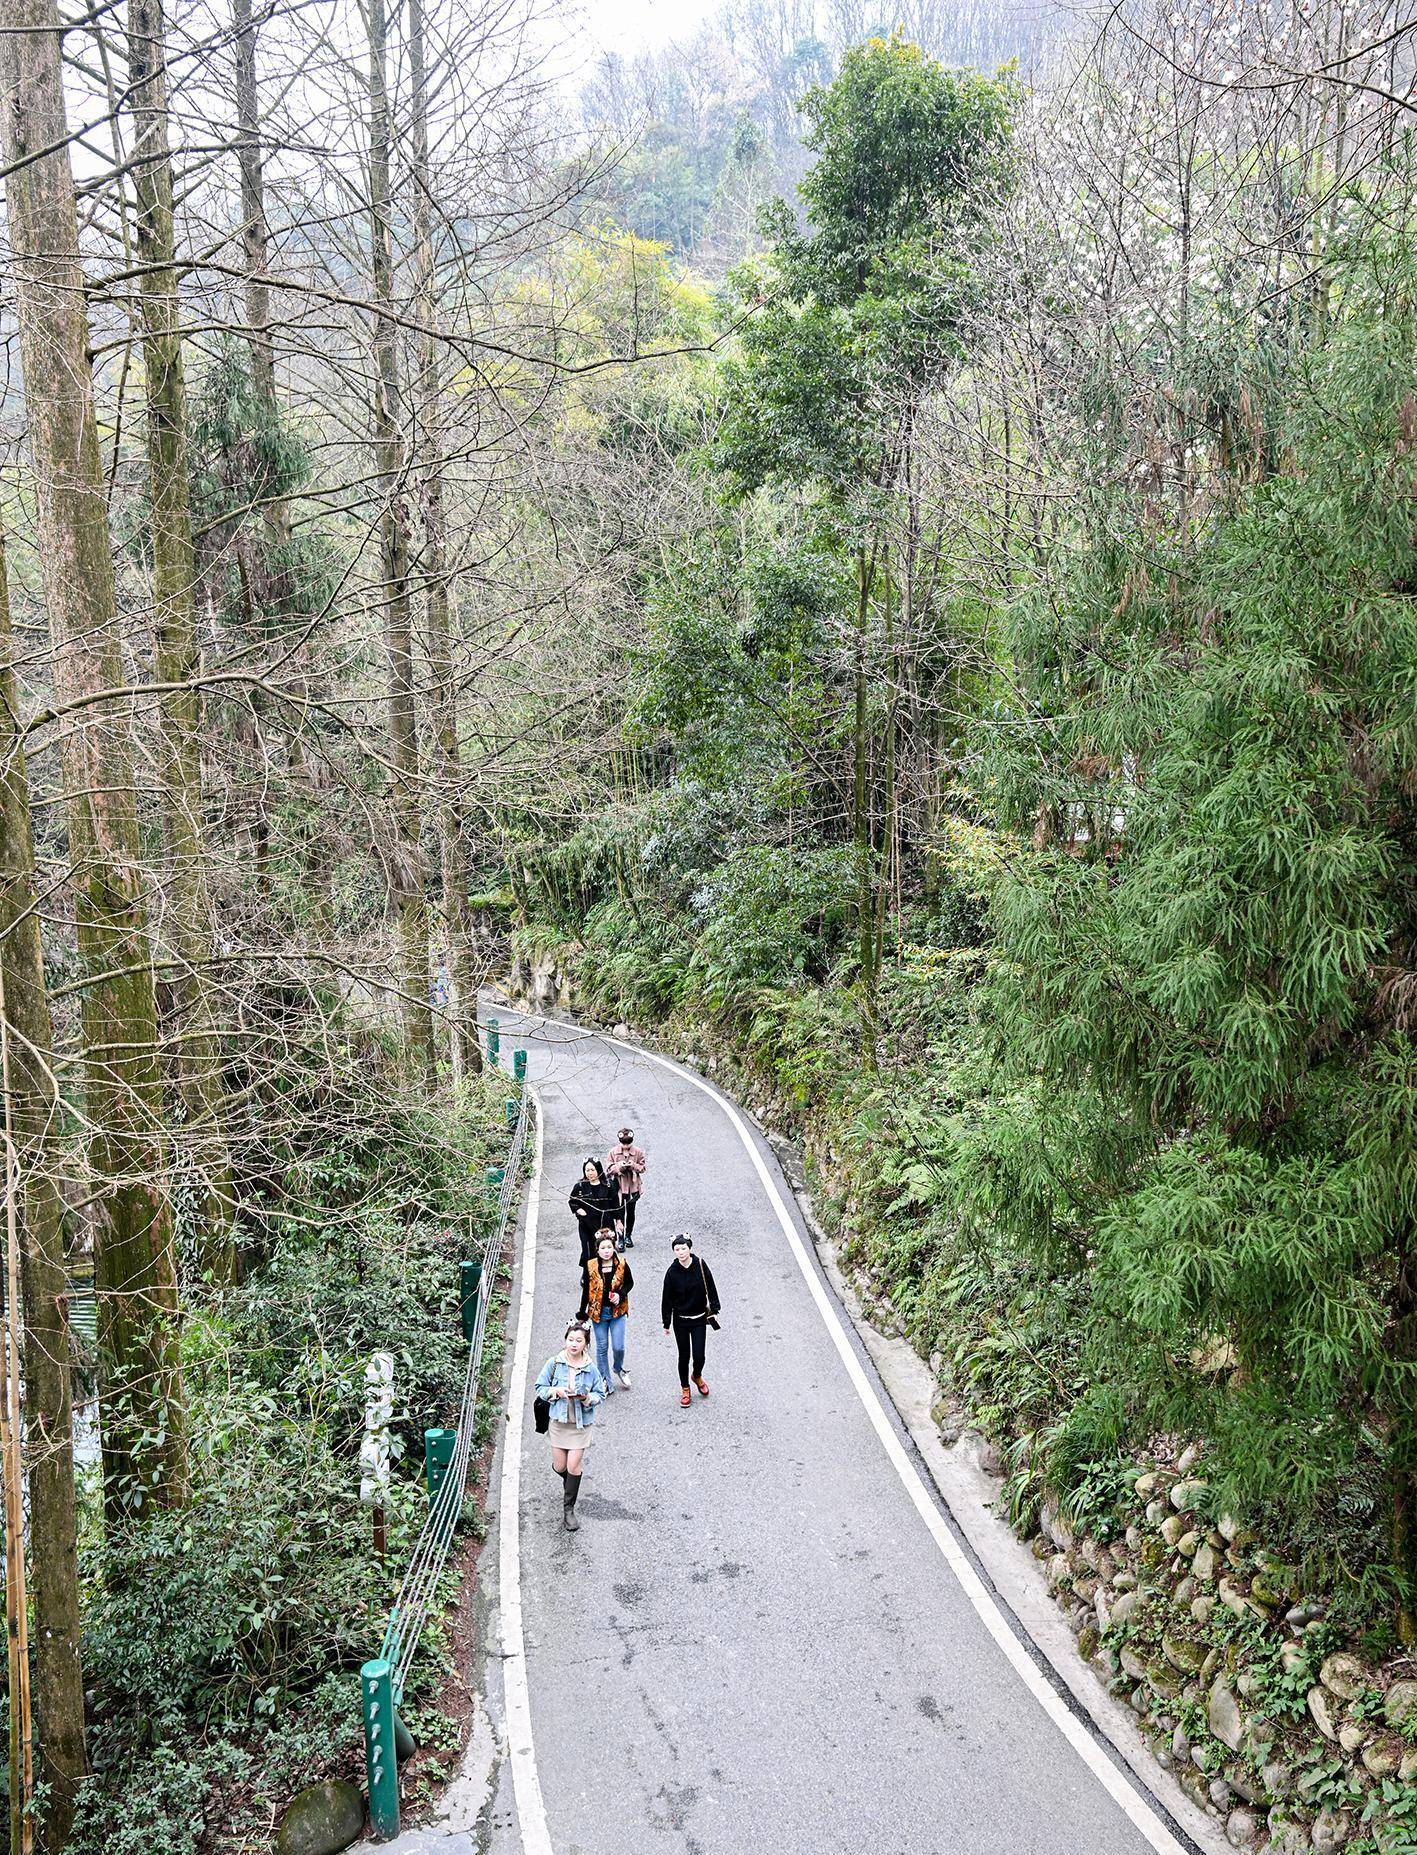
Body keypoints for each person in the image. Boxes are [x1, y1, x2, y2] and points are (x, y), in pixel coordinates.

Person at [534, 1321, 607, 1531]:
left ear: (585, 1343)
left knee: (574, 1465)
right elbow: (540, 1386)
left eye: (578, 1340)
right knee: (560, 1466)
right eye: (570, 1340)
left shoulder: (590, 1368)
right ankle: (571, 1485)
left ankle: (568, 1510)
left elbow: (599, 1394)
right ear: (566, 1340)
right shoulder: (554, 1363)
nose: (573, 1344)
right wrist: (555, 1391)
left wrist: (586, 1398)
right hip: (559, 1422)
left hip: (580, 1425)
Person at [661, 1233, 720, 1407]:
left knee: (699, 1356)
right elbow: (666, 1299)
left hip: (699, 1319)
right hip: (681, 1320)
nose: (680, 1252)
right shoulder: (671, 1272)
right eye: (677, 1249)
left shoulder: (700, 1264)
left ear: (690, 1248)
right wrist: (666, 1322)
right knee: (684, 1356)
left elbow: (711, 1285)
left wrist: (715, 1309)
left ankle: (697, 1375)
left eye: (683, 1248)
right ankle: (685, 1388)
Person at [579, 1230, 633, 1393]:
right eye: (603, 1248)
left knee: (619, 1347)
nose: (607, 1250)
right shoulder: (591, 1265)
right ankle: (605, 1380)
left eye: (609, 1247)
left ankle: (618, 1368)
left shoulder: (622, 1264)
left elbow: (629, 1283)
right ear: (598, 1250)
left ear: (613, 1247)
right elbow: (587, 1289)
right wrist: (582, 1312)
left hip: (618, 1312)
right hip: (598, 1313)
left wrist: (620, 1295)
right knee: (602, 1347)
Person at [569, 1158, 620, 1262]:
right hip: (587, 1226)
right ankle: (587, 1276)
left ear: (598, 1170)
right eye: (587, 1170)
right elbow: (572, 1201)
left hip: (605, 1225)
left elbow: (615, 1205)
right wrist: (579, 1210)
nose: (590, 1173)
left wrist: (619, 1221)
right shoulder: (580, 1187)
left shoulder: (608, 1185)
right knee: (588, 1252)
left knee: (606, 1252)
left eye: (592, 1170)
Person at [605, 1126, 647, 1249]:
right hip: (618, 1187)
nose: (626, 1147)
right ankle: (620, 1238)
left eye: (628, 1145)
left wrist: (633, 1165)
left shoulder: (638, 1152)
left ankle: (628, 1235)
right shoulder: (613, 1152)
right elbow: (608, 1170)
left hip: (633, 1187)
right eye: (624, 1145)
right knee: (619, 1213)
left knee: (631, 1212)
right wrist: (619, 1167)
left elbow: (643, 1167)